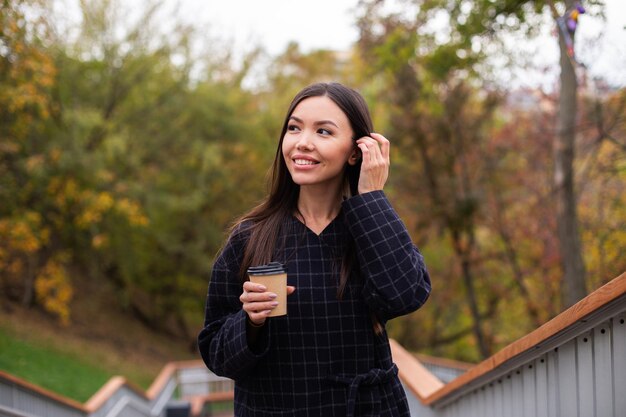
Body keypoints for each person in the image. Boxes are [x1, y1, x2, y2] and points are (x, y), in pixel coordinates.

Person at [198, 82, 431, 417]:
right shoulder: (250, 237)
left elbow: (406, 295)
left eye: (323, 131)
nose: (302, 142)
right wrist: (250, 322)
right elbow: (215, 353)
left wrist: (371, 196)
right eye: (294, 128)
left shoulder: (370, 225)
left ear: (356, 151)